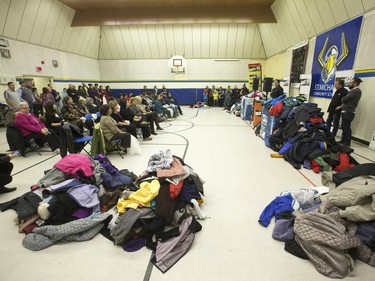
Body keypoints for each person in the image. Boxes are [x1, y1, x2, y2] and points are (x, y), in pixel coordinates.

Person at [337, 78, 363, 147]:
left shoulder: (356, 91)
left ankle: (347, 142)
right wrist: (340, 106)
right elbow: (347, 102)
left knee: (346, 127)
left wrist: (343, 99)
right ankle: (343, 140)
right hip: (346, 111)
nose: (349, 84)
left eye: (351, 82)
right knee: (344, 127)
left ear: (355, 84)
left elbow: (344, 100)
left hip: (348, 112)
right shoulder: (353, 91)